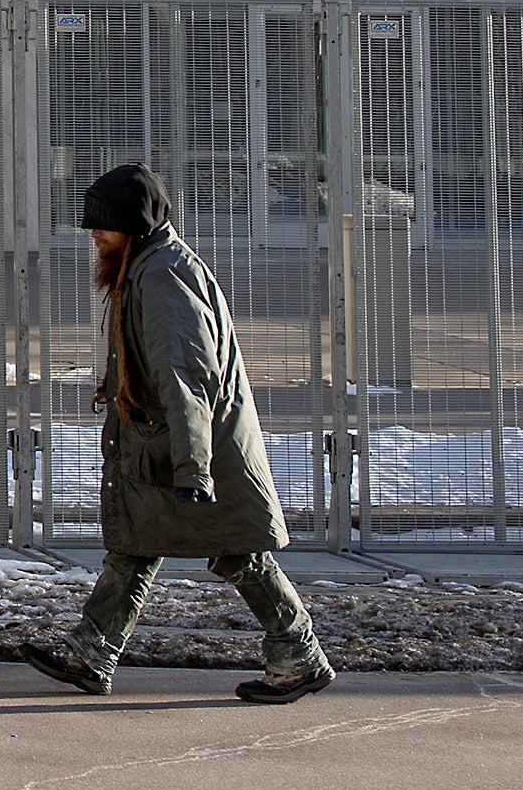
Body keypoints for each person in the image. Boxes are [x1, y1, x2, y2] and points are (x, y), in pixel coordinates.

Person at [22, 163, 335, 705]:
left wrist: (194, 467)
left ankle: (299, 655)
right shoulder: (146, 264)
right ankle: (93, 651)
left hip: (193, 447)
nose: (93, 234)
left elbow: (185, 373)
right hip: (164, 444)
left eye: (104, 224)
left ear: (137, 224)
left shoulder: (162, 275)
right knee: (137, 546)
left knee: (238, 551)